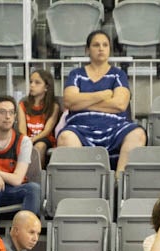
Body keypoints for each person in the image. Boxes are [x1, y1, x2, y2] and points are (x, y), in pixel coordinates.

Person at [54, 31, 146, 170]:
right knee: (66, 137)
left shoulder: (118, 75)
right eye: (96, 45)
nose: (101, 48)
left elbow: (120, 104)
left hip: (115, 130)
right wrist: (104, 94)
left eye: (105, 45)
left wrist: (83, 103)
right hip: (80, 130)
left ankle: (120, 180)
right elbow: (69, 102)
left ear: (109, 49)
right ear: (87, 50)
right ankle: (83, 182)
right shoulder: (76, 74)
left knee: (137, 134)